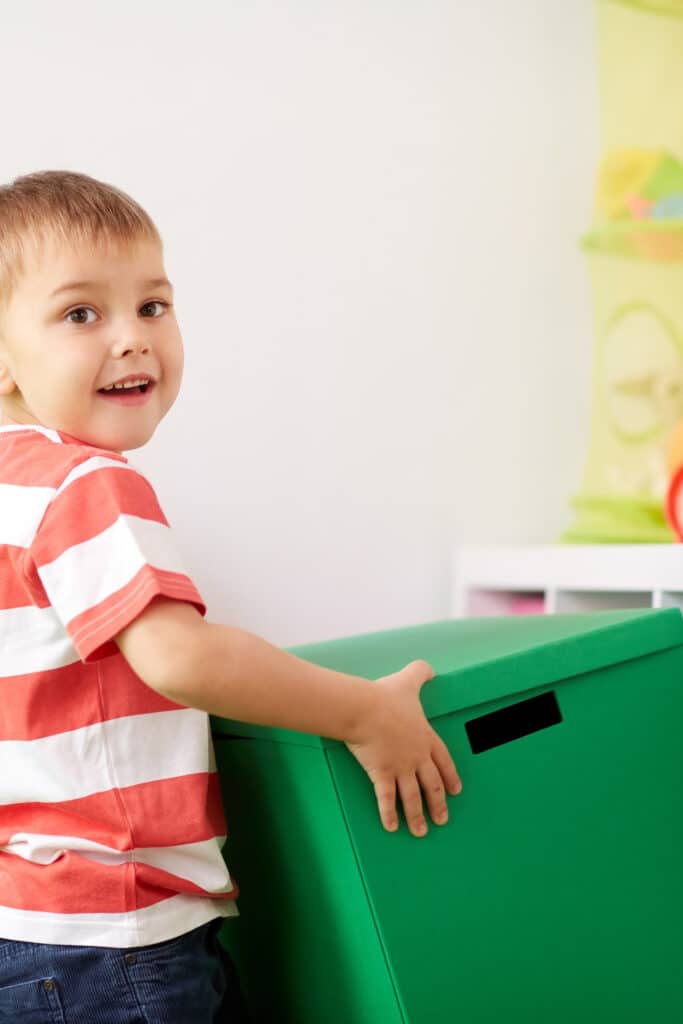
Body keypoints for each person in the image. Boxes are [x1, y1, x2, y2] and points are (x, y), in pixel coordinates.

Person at [0, 169, 462, 1023]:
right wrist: (362, 713)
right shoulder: (86, 484)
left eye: (153, 305)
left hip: (27, 928)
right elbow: (181, 657)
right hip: (115, 935)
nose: (134, 339)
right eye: (80, 314)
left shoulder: (11, 495)